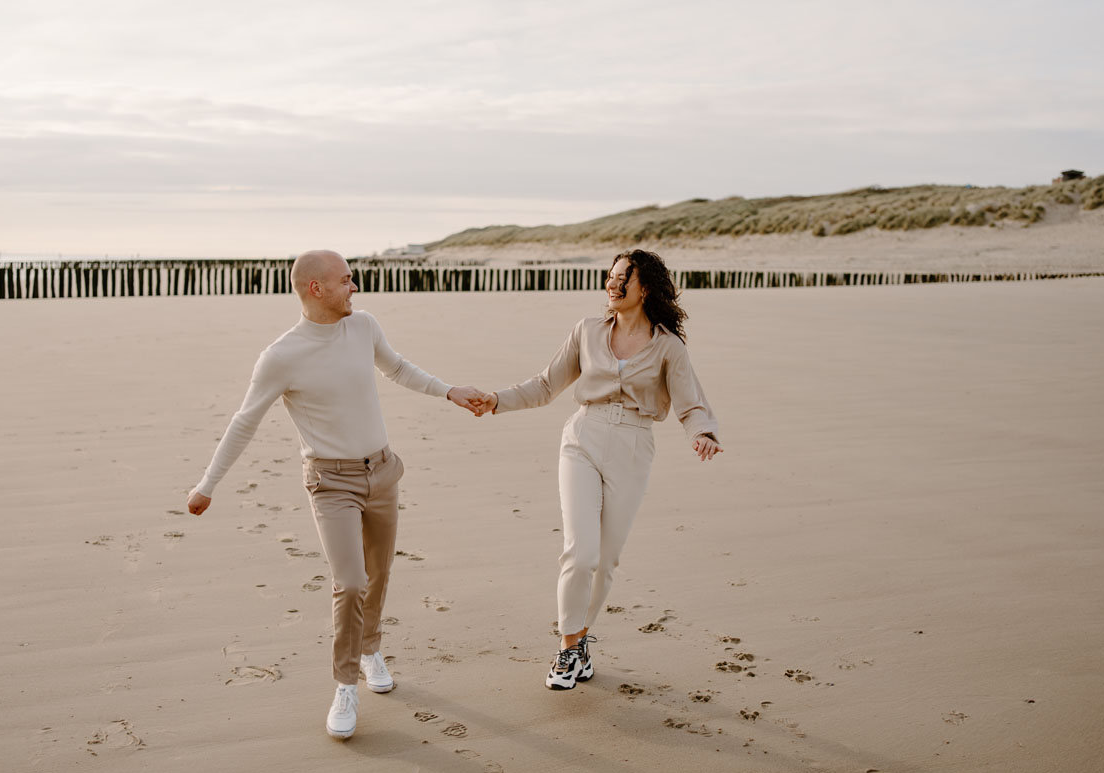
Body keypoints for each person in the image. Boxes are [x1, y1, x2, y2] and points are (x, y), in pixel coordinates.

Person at [186, 249, 485, 738]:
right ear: (316, 288)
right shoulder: (281, 355)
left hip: (382, 471)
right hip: (331, 482)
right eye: (347, 280)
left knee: (380, 572)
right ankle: (345, 684)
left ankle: (370, 651)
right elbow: (245, 422)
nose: (355, 288)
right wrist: (207, 485)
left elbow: (399, 368)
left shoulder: (363, 326)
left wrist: (448, 391)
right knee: (350, 582)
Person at [478, 249, 723, 690]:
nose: (611, 285)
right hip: (583, 439)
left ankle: (581, 640)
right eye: (609, 277)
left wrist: (702, 433)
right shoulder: (587, 331)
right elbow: (546, 384)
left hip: (633, 446)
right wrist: (498, 400)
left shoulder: (668, 345)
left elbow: (691, 403)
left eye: (621, 279)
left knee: (605, 561)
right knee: (581, 552)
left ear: (643, 287)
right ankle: (568, 648)